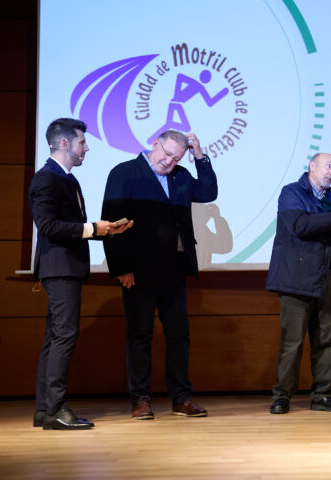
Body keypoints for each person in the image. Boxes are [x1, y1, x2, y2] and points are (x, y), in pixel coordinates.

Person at [102, 129, 217, 420]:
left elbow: (208, 191)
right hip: (138, 271)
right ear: (154, 144)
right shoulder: (125, 172)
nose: (169, 162)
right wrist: (121, 268)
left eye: (177, 158)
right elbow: (111, 222)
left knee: (179, 335)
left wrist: (199, 156)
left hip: (174, 269)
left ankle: (181, 398)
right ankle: (140, 399)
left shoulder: (181, 176)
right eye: (166, 155)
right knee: (140, 335)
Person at [29, 118, 132, 430]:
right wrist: (92, 228)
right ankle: (56, 408)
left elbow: (72, 227)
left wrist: (107, 231)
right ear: (64, 144)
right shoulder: (47, 179)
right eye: (82, 143)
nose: (86, 148)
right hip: (60, 269)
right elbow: (47, 226)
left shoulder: (67, 180)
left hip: (67, 268)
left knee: (55, 338)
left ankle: (46, 410)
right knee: (63, 337)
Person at [266, 153, 331, 414]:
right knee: (292, 341)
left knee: (327, 339)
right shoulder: (291, 192)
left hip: (327, 278)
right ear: (312, 167)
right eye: (329, 166)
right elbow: (298, 225)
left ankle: (322, 396)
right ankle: (282, 396)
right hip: (296, 278)